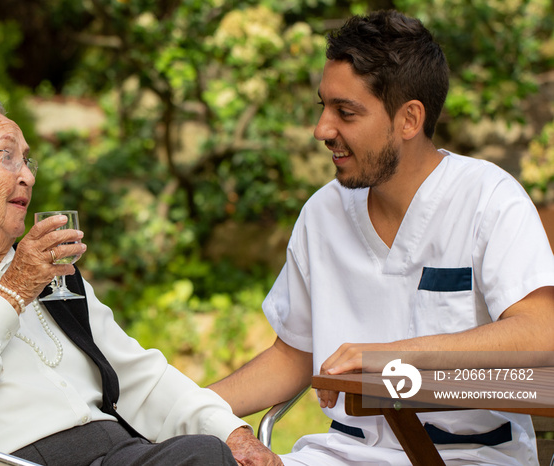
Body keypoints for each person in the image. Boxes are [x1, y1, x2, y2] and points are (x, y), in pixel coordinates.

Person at [0, 90, 279, 466]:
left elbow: (138, 376)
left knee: (206, 452)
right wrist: (14, 291)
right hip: (11, 460)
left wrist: (230, 432)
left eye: (27, 160)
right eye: (6, 157)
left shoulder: (50, 272)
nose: (28, 175)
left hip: (116, 449)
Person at [209, 9, 554, 466]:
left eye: (346, 112)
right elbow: (292, 356)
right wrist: (179, 407)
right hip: (341, 453)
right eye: (323, 107)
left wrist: (389, 358)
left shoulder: (488, 199)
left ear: (409, 119)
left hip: (471, 457)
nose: (322, 130)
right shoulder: (323, 212)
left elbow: (540, 332)